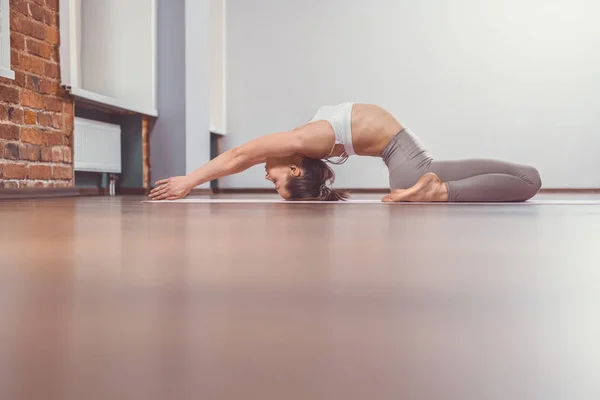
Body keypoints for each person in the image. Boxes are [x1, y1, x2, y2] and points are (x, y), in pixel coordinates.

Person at [149, 103, 542, 202]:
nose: (267, 177)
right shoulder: (301, 144)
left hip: (408, 164)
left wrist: (191, 180)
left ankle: (436, 191)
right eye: (278, 185)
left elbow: (243, 156)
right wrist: (190, 182)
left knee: (528, 179)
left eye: (273, 183)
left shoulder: (300, 142)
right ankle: (438, 192)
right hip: (411, 165)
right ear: (298, 170)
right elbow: (240, 156)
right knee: (529, 180)